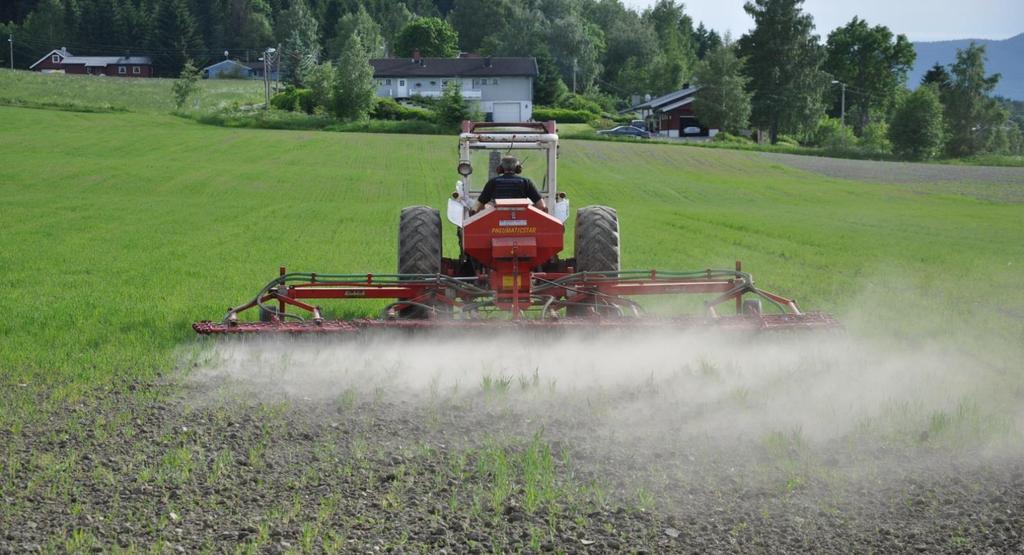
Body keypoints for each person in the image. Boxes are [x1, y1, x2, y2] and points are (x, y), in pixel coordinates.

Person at [472, 156, 547, 213]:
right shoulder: (526, 182)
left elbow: (476, 207)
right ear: (518, 168)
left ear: (500, 168)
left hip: (496, 223)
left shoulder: (492, 182)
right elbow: (542, 206)